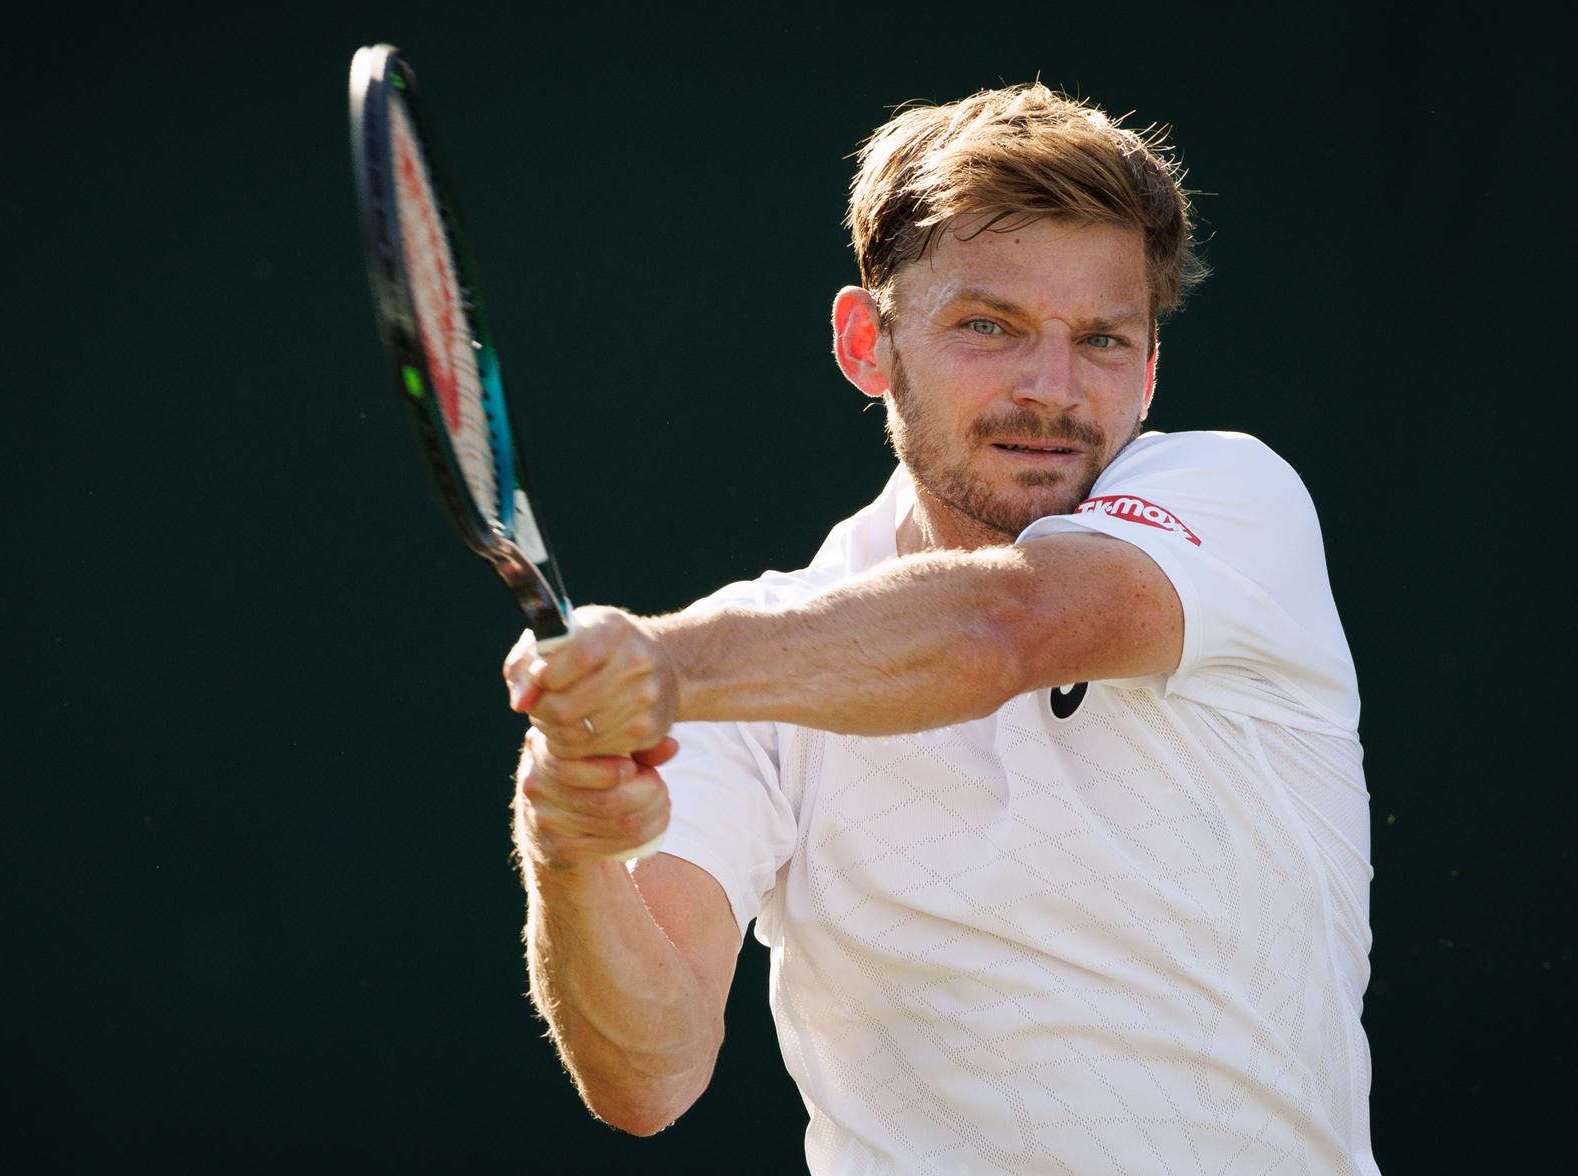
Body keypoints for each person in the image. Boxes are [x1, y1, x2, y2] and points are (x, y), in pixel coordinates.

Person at [503, 83, 1375, 1175]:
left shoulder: (1235, 503)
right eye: (988, 327)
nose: (1051, 390)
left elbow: (1003, 627)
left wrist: (659, 667)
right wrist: (568, 846)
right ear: (869, 343)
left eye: (1102, 340)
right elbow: (649, 1074)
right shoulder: (751, 656)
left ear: (1149, 368)